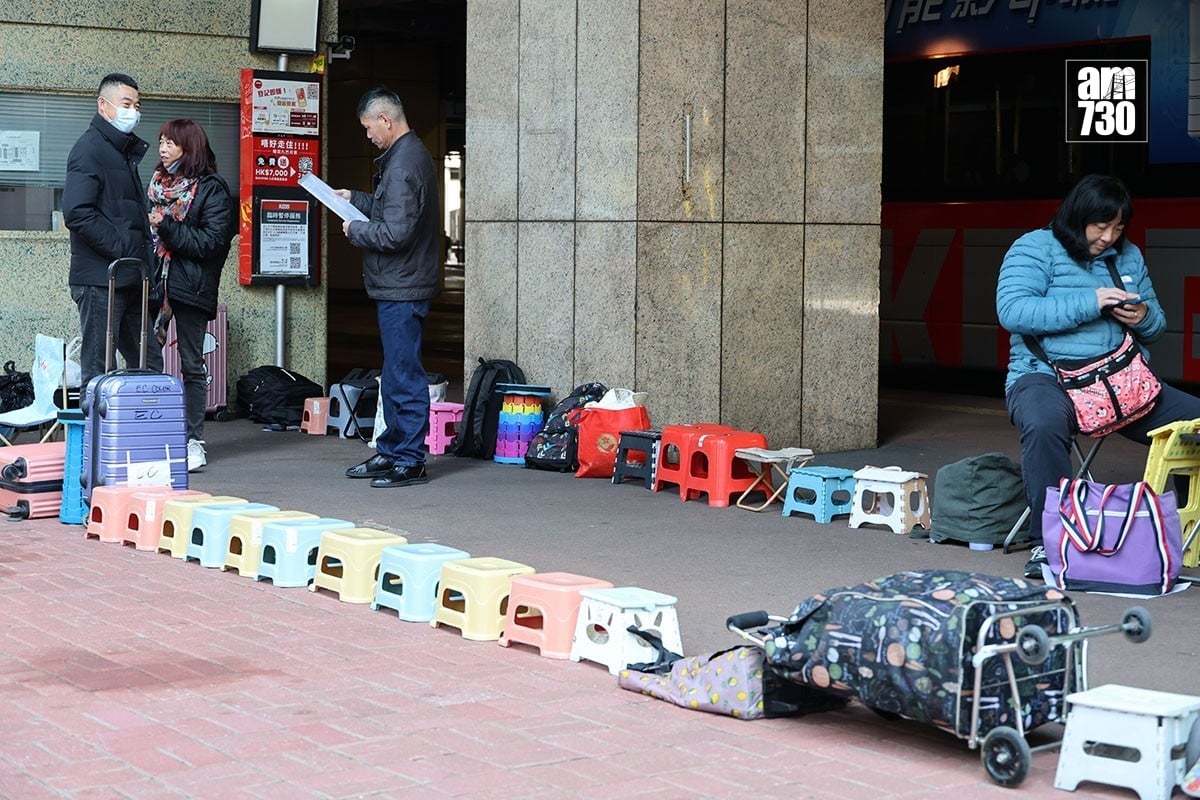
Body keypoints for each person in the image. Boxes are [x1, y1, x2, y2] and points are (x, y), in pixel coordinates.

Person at [996, 174, 1200, 578]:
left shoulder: (1129, 256)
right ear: (1076, 217)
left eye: (1118, 228)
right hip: (1044, 377)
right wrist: (1092, 302)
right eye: (1100, 226)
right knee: (1043, 423)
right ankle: (1048, 544)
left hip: (1121, 381)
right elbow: (1013, 312)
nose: (1109, 237)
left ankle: (1185, 536)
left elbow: (1156, 325)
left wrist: (1142, 317)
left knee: (1194, 423)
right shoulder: (1034, 248)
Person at [337, 87, 440, 488]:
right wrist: (356, 199)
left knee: (403, 374)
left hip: (404, 285)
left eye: (367, 128)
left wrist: (355, 229)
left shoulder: (403, 164)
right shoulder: (408, 156)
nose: (367, 136)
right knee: (395, 373)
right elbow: (395, 211)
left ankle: (409, 459)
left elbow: (396, 233)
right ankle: (392, 450)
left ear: (385, 120)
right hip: (400, 284)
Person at [63, 72, 163, 387]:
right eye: (126, 103)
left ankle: (144, 432)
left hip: (131, 276)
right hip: (101, 279)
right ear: (103, 106)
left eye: (137, 104)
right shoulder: (90, 149)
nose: (133, 110)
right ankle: (99, 436)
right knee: (99, 369)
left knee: (149, 363)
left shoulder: (120, 152)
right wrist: (124, 248)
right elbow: (77, 212)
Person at [147, 119, 234, 472]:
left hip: (191, 286)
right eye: (162, 141)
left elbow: (211, 244)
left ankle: (194, 439)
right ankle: (150, 433)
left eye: (171, 142)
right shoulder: (157, 186)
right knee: (147, 360)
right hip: (155, 283)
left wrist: (166, 226)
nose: (163, 148)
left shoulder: (212, 190)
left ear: (190, 147)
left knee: (191, 364)